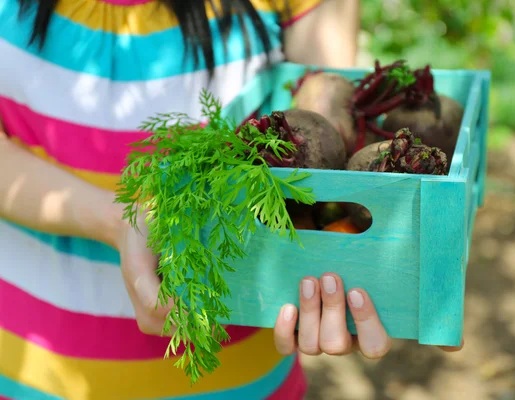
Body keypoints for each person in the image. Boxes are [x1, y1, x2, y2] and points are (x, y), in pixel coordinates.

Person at [0, 0, 462, 398]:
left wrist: (364, 269)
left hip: (242, 374)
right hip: (31, 364)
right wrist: (114, 221)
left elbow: (327, 148)